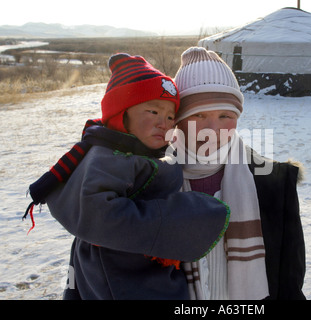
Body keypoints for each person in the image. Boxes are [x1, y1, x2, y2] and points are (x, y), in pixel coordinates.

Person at [23, 53, 230, 300]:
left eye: (170, 116)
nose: (163, 123)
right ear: (121, 115)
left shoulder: (146, 151)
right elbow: (97, 214)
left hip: (148, 271)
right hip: (119, 279)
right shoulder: (107, 156)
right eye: (152, 111)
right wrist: (187, 215)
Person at [171, 47, 306, 300]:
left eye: (225, 115)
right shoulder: (151, 179)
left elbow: (289, 280)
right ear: (177, 119)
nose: (213, 128)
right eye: (198, 115)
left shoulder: (274, 183)